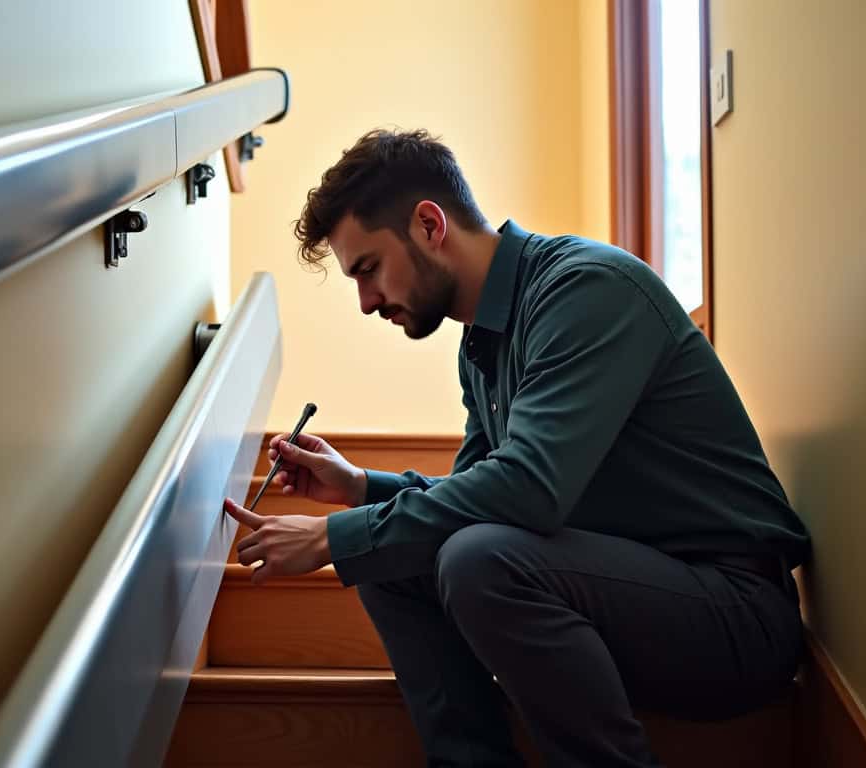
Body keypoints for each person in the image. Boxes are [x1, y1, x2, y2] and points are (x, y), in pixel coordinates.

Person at [222, 128, 810, 767]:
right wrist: (361, 488)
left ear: (428, 225)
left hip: (731, 617)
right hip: (620, 597)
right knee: (398, 557)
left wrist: (335, 537)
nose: (366, 303)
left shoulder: (587, 290)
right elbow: (475, 497)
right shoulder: (481, 343)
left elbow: (528, 489)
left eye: (368, 269)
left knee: (474, 558)